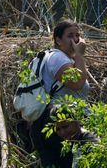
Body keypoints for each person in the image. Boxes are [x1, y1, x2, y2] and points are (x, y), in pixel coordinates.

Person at [30, 20, 89, 167]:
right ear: (58, 39)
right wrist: (80, 55)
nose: (75, 40)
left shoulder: (53, 57)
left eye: (77, 35)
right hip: (61, 125)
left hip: (50, 124)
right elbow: (77, 83)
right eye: (70, 36)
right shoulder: (57, 58)